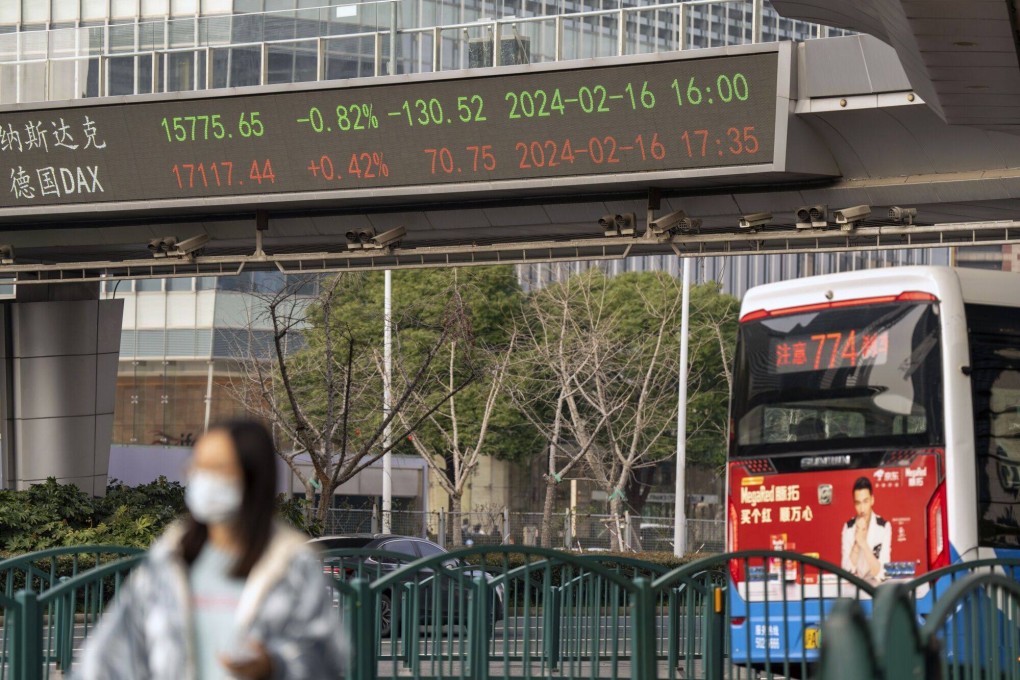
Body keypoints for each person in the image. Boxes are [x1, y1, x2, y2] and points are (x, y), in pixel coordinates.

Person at [78, 420, 345, 680]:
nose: (204, 478)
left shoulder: (292, 564)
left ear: (252, 477)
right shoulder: (169, 559)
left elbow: (327, 659)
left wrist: (273, 666)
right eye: (198, 466)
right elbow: (110, 655)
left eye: (218, 468)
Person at [840, 476, 891, 583]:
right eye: (858, 503)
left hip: (876, 587)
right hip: (854, 586)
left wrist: (863, 543)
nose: (862, 509)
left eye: (865, 502)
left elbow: (882, 573)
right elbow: (846, 572)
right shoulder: (848, 528)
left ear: (872, 500)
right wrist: (857, 543)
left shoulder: (884, 527)